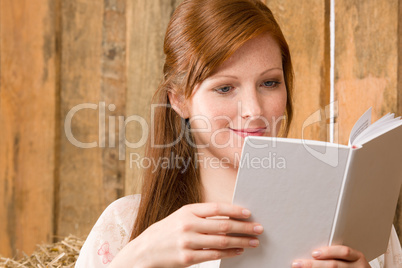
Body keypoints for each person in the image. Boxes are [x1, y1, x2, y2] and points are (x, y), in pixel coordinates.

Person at [75, 0, 402, 267]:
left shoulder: (353, 221)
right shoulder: (124, 227)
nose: (254, 110)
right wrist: (136, 258)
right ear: (179, 100)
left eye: (269, 83)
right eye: (225, 88)